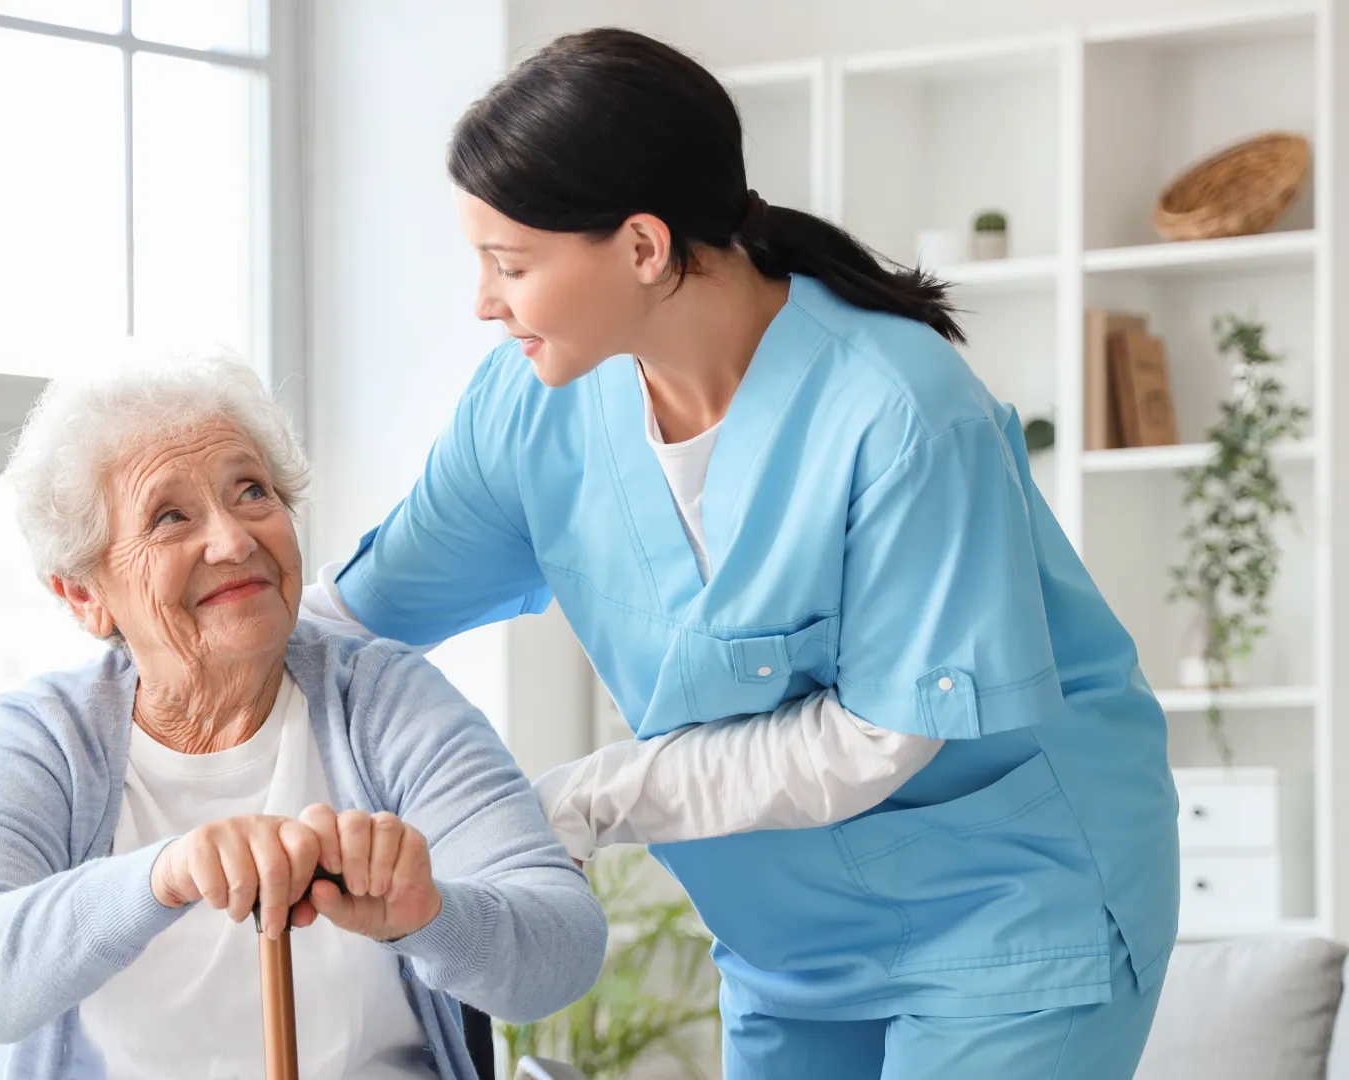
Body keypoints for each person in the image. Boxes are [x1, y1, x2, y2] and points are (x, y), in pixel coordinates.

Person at [299, 26, 1179, 1080]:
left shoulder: (898, 411)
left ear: (641, 246)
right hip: (784, 944)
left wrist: (572, 804)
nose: (483, 301)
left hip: (1010, 917)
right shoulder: (528, 409)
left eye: (510, 263)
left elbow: (874, 741)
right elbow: (344, 624)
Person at [0, 349, 606, 1080]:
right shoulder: (39, 735)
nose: (236, 539)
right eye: (170, 516)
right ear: (86, 594)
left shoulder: (390, 700)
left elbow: (561, 954)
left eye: (252, 492)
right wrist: (164, 876)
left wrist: (430, 914)